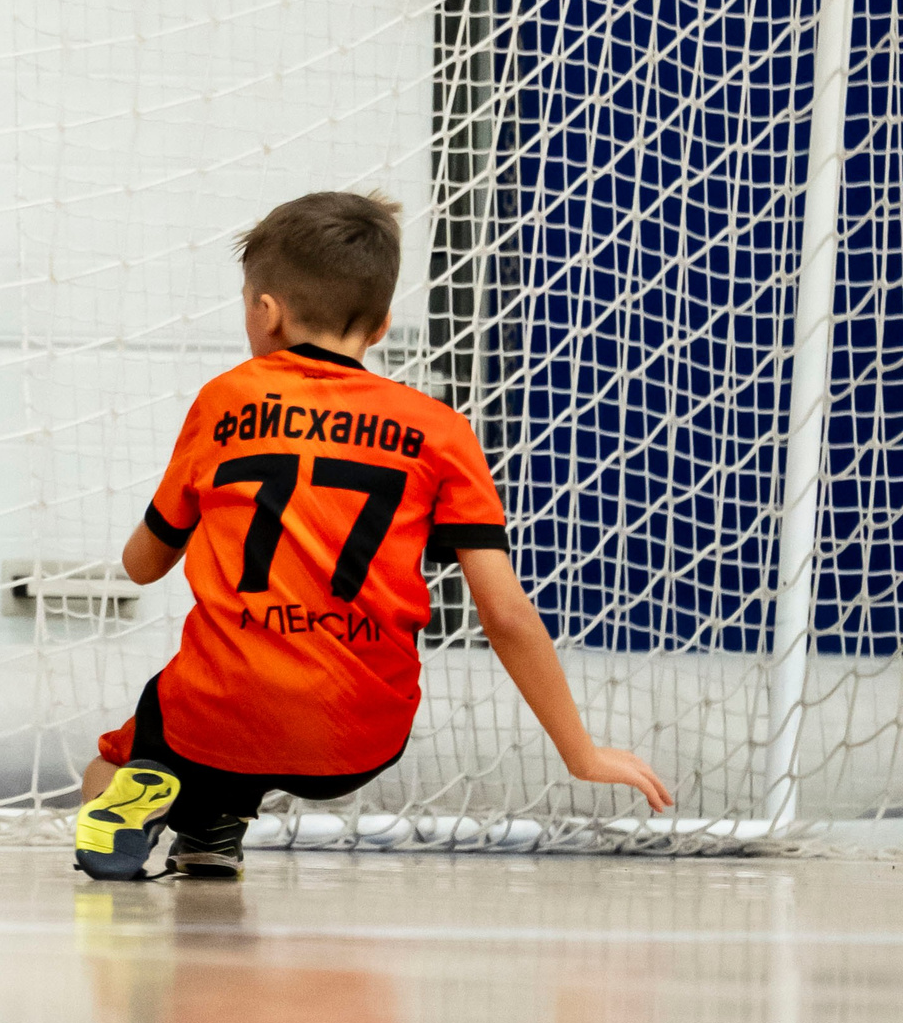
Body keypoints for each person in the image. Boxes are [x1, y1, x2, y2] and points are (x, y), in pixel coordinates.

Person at [74, 191, 670, 881]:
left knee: (127, 754)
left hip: (224, 706)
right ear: (383, 324)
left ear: (264, 311)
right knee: (258, 731)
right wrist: (581, 752)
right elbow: (504, 611)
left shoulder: (226, 399)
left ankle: (147, 792)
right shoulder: (439, 430)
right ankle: (210, 829)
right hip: (360, 730)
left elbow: (144, 565)